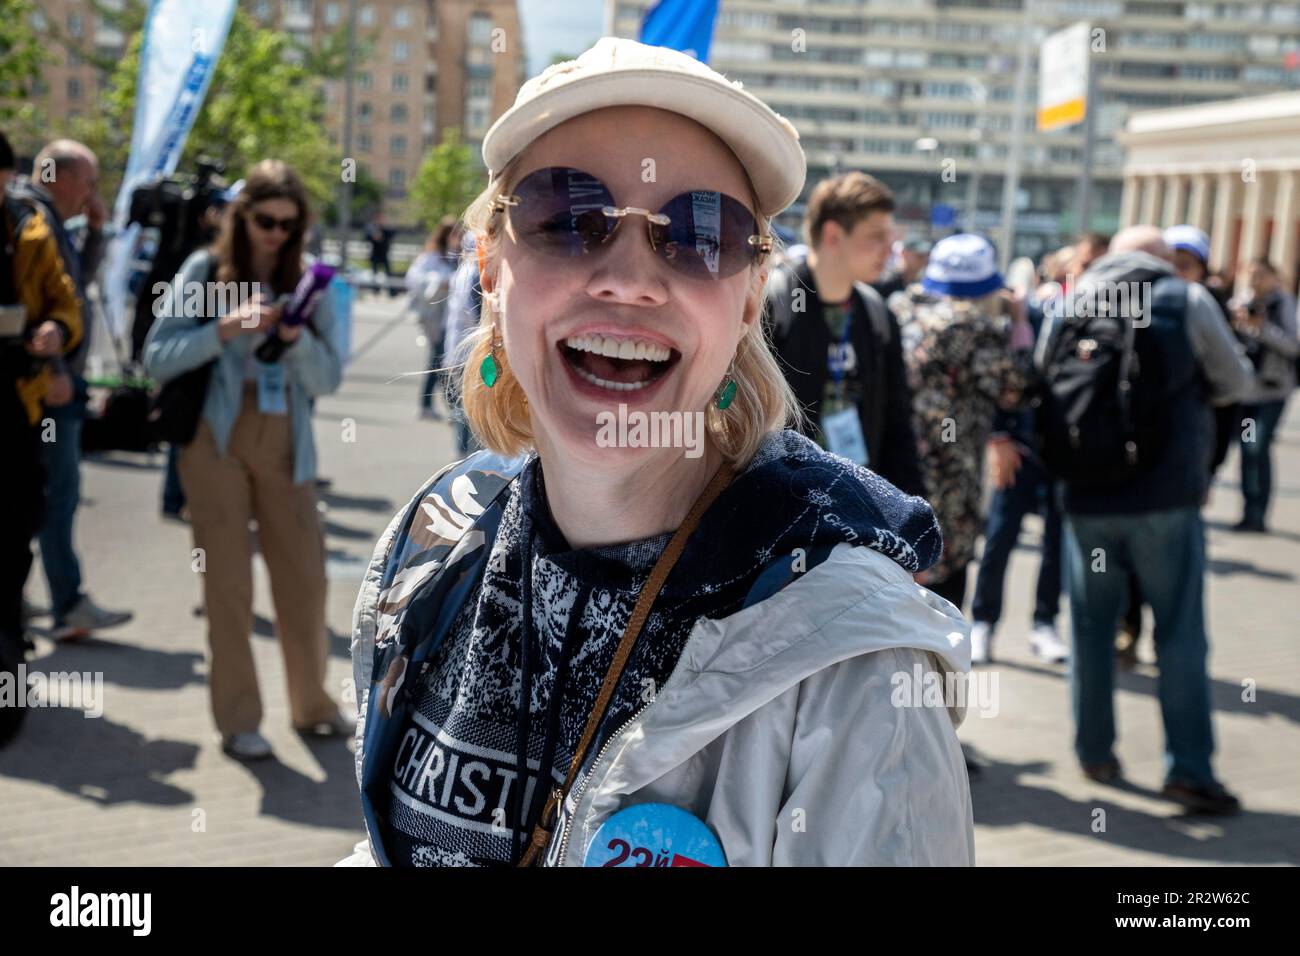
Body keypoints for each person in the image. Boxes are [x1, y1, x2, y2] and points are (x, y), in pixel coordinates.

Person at [339, 38, 973, 868]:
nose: (630, 277)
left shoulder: (854, 661)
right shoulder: (429, 546)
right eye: (567, 217)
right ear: (490, 269)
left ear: (749, 300)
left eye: (701, 232)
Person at [143, 159, 351, 761]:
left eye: (288, 224)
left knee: (305, 583)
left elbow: (329, 376)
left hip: (287, 442)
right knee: (227, 586)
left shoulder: (311, 279)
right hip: (215, 442)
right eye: (265, 220)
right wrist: (224, 329)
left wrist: (295, 340)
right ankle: (239, 719)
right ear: (243, 216)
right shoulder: (206, 270)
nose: (276, 234)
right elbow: (157, 355)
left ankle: (312, 706)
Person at [1039, 225, 1251, 814]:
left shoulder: (1074, 298)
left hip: (1087, 497)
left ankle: (1095, 751)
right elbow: (1237, 380)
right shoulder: (1186, 299)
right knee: (1179, 632)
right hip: (1166, 498)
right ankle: (1186, 770)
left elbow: (1040, 380)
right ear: (1163, 259)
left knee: (1089, 628)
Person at [8, 139, 133, 642]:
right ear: (58, 176)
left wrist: (98, 231)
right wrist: (57, 368)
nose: (92, 192)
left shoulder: (50, 223)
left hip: (56, 379)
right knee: (56, 494)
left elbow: (78, 287)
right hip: (48, 384)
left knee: (39, 493)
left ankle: (26, 599)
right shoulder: (31, 222)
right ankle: (67, 603)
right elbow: (40, 311)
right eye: (88, 180)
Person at [767, 172, 926, 497]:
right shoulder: (773, 304)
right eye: (877, 237)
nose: (890, 249)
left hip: (856, 506)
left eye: (891, 236)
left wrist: (914, 515)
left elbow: (897, 425)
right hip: (780, 507)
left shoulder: (877, 314)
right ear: (833, 235)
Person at [0, 131, 83, 744]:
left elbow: (66, 304)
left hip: (15, 412)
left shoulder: (28, 231)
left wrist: (56, 333)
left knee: (14, 539)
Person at [1229, 258, 1297, 533]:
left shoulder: (1284, 304)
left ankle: (1258, 511)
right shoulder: (1240, 302)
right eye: (1251, 275)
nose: (1255, 281)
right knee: (1248, 450)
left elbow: (1292, 345)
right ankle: (1249, 512)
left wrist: (1262, 328)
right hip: (1247, 391)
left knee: (1257, 447)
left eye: (1260, 275)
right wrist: (1240, 323)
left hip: (1272, 391)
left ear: (1273, 276)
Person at [404, 216, 459, 419]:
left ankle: (443, 406)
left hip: (448, 318)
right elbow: (416, 279)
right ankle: (444, 407)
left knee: (440, 363)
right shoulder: (431, 256)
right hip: (435, 318)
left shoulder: (453, 256)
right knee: (438, 363)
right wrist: (440, 282)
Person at [365, 212, 394, 293]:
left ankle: (391, 291)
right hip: (375, 253)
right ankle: (375, 290)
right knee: (374, 274)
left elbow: (391, 235)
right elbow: (367, 237)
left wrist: (381, 235)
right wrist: (374, 236)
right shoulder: (371, 228)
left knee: (388, 273)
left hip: (384, 253)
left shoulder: (386, 228)